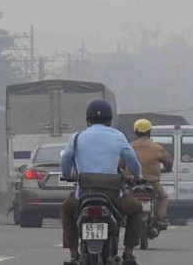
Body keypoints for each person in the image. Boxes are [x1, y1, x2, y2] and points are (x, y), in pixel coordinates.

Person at [60, 100, 144, 265]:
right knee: (136, 210)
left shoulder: (77, 137)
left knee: (66, 210)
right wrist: (138, 175)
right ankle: (128, 253)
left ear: (88, 119)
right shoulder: (118, 136)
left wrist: (66, 174)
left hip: (84, 194)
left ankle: (74, 254)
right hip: (113, 196)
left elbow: (66, 158)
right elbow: (132, 160)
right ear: (109, 119)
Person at [129, 118, 173, 229]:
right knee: (163, 197)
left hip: (133, 183)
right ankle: (159, 218)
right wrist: (167, 169)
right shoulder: (158, 148)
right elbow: (168, 162)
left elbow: (120, 165)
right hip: (153, 183)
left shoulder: (129, 147)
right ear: (149, 132)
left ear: (135, 132)